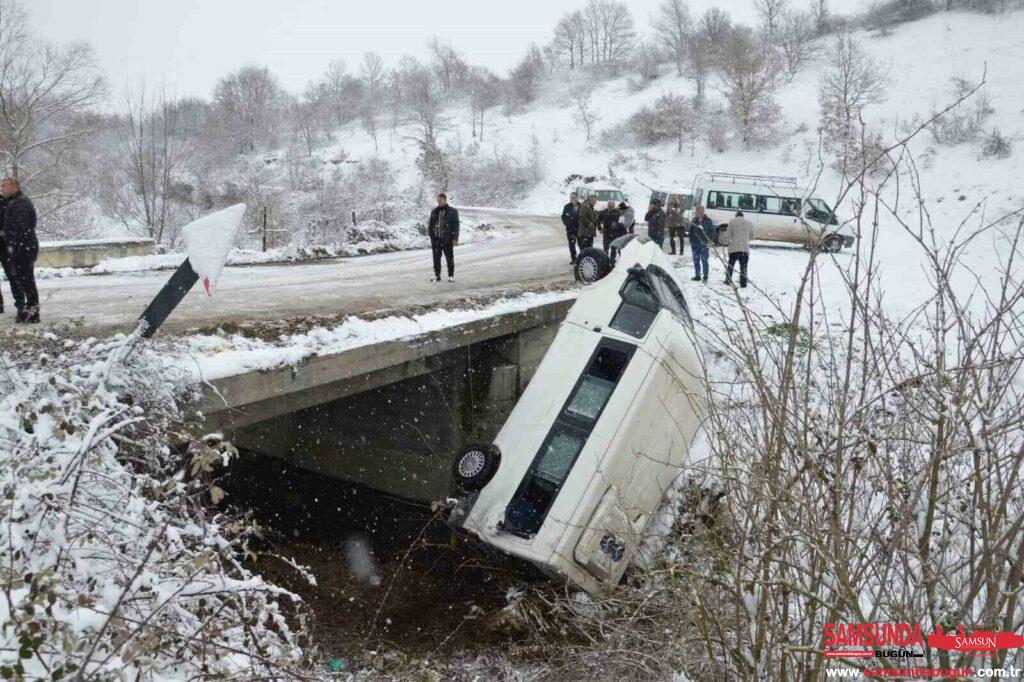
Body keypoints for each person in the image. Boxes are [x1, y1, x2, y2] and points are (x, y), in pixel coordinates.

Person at [0, 177, 38, 323]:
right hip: (15, 246)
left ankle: (26, 309)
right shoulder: (13, 201)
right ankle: (27, 311)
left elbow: (22, 228)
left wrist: (9, 239)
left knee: (21, 279)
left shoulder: (16, 202)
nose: (1, 188)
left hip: (15, 247)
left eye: (4, 186)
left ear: (13, 186)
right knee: (23, 279)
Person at [427, 193, 459, 282]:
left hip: (447, 239)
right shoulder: (434, 211)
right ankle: (437, 275)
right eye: (438, 200)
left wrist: (455, 238)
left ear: (445, 200)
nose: (439, 202)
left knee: (449, 258)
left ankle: (451, 275)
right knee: (436, 258)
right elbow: (430, 225)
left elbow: (456, 226)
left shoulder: (453, 211)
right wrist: (431, 236)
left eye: (440, 200)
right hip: (436, 239)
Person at [723, 210, 754, 288]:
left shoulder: (732, 222)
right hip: (744, 249)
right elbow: (752, 236)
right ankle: (743, 283)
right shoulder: (749, 223)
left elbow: (728, 235)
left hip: (734, 248)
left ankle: (728, 280)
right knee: (743, 266)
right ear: (743, 216)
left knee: (731, 265)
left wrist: (727, 242)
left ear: (736, 216)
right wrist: (745, 240)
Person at [689, 204, 716, 283]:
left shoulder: (708, 221)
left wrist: (709, 240)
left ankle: (705, 276)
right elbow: (691, 230)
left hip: (704, 244)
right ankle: (697, 275)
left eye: (697, 212)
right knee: (696, 260)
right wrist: (691, 239)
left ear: (701, 212)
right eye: (695, 212)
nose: (695, 213)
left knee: (704, 260)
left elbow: (712, 232)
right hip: (694, 243)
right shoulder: (694, 220)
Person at [598, 199, 622, 265]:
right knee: (605, 250)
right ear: (607, 205)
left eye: (613, 206)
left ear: (614, 206)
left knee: (614, 250)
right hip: (606, 233)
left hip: (615, 234)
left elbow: (622, 223)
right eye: (610, 206)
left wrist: (620, 231)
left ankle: (612, 263)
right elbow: (597, 220)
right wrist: (600, 229)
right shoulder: (604, 212)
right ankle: (605, 263)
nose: (611, 208)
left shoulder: (618, 213)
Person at [561, 192, 581, 264]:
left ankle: (582, 258)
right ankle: (574, 258)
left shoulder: (581, 206)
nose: (573, 199)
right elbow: (563, 216)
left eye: (574, 197)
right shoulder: (567, 206)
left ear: (577, 198)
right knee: (571, 244)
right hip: (570, 229)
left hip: (579, 229)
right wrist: (567, 224)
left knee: (581, 244)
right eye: (571, 197)